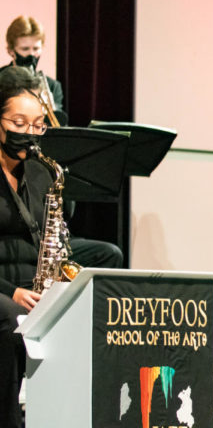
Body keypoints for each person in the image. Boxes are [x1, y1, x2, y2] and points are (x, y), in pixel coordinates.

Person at [0, 67, 122, 428]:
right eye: (19, 122)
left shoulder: (39, 169)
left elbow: (56, 226)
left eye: (38, 125)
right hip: (5, 283)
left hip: (31, 270)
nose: (29, 133)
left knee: (106, 256)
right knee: (9, 319)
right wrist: (14, 292)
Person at [1, 16, 64, 122]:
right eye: (25, 49)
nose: (31, 54)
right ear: (11, 50)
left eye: (36, 48)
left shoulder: (53, 86)